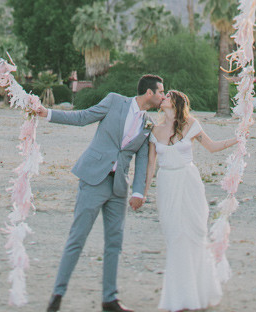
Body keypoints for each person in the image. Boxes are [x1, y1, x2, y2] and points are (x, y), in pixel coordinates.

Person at [36, 74, 165, 312]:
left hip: (119, 188)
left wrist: (139, 192)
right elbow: (83, 117)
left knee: (114, 243)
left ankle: (110, 299)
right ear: (149, 93)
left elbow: (143, 160)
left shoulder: (148, 124)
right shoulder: (115, 101)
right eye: (161, 92)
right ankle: (57, 295)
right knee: (77, 238)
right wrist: (49, 114)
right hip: (93, 179)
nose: (163, 96)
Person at [145, 90, 238, 312]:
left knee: (194, 234)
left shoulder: (191, 124)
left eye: (167, 95)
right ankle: (179, 296)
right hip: (167, 184)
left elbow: (213, 146)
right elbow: (150, 166)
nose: (163, 98)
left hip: (189, 183)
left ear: (176, 103)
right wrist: (143, 193)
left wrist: (237, 139)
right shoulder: (154, 131)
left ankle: (199, 293)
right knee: (174, 235)